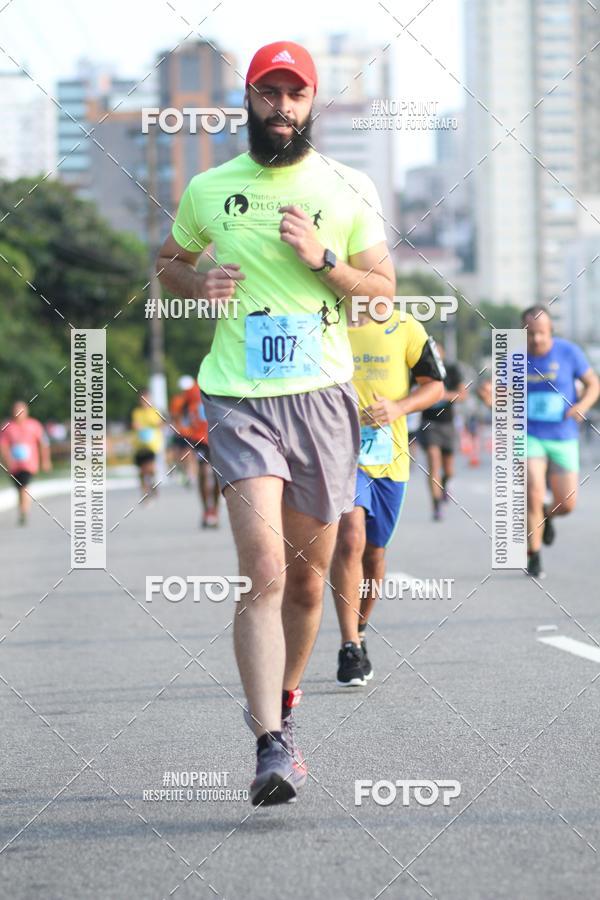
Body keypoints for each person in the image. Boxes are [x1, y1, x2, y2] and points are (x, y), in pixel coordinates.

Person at [156, 41, 395, 805]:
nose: (282, 107)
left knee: (304, 583)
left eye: (295, 95)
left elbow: (381, 294)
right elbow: (168, 262)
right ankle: (267, 745)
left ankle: (286, 709)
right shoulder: (209, 187)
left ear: (312, 103)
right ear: (250, 100)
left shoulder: (346, 186)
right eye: (269, 93)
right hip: (238, 396)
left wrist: (325, 258)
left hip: (323, 398)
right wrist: (199, 281)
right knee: (262, 570)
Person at [330, 308, 445, 685]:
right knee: (350, 537)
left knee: (375, 553)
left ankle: (359, 630)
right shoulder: (323, 319)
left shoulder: (405, 325)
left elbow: (434, 386)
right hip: (339, 454)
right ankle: (348, 646)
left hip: (388, 457)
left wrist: (398, 407)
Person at [523, 306, 599, 577]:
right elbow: (501, 393)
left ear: (551, 331)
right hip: (529, 435)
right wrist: (491, 397)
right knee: (532, 490)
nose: (537, 340)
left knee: (566, 504)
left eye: (541, 333)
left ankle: (548, 514)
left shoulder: (569, 352)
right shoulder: (515, 359)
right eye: (530, 334)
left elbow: (593, 384)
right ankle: (534, 556)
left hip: (563, 435)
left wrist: (583, 405)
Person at [416, 343, 467, 520]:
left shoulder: (452, 369)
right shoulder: (421, 369)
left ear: (443, 353)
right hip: (428, 423)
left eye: (438, 350)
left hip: (448, 424)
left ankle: (446, 483)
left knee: (449, 469)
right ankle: (436, 504)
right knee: (433, 462)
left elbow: (462, 395)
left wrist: (440, 395)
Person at [170, 375, 219, 528]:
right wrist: (185, 431)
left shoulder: (212, 388)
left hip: (217, 437)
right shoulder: (183, 400)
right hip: (199, 440)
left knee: (217, 475)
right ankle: (206, 510)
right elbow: (176, 418)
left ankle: (214, 510)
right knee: (204, 472)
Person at [0, 401, 51, 525]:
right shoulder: (8, 427)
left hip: (29, 464)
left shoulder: (34, 425)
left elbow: (43, 444)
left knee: (24, 487)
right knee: (19, 489)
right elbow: (3, 446)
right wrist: (6, 461)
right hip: (14, 465)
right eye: (16, 410)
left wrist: (45, 460)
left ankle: (24, 511)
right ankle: (23, 509)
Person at [131, 391, 164, 500]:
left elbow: (160, 424)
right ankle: (144, 491)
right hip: (139, 445)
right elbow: (135, 424)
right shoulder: (137, 412)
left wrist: (153, 424)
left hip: (152, 445)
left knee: (149, 468)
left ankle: (152, 484)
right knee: (141, 470)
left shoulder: (154, 411)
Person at [169, 375, 198, 487]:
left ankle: (191, 475)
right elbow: (174, 416)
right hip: (180, 431)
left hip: (191, 432)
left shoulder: (195, 400)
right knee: (177, 455)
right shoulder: (177, 401)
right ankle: (184, 472)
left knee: (189, 454)